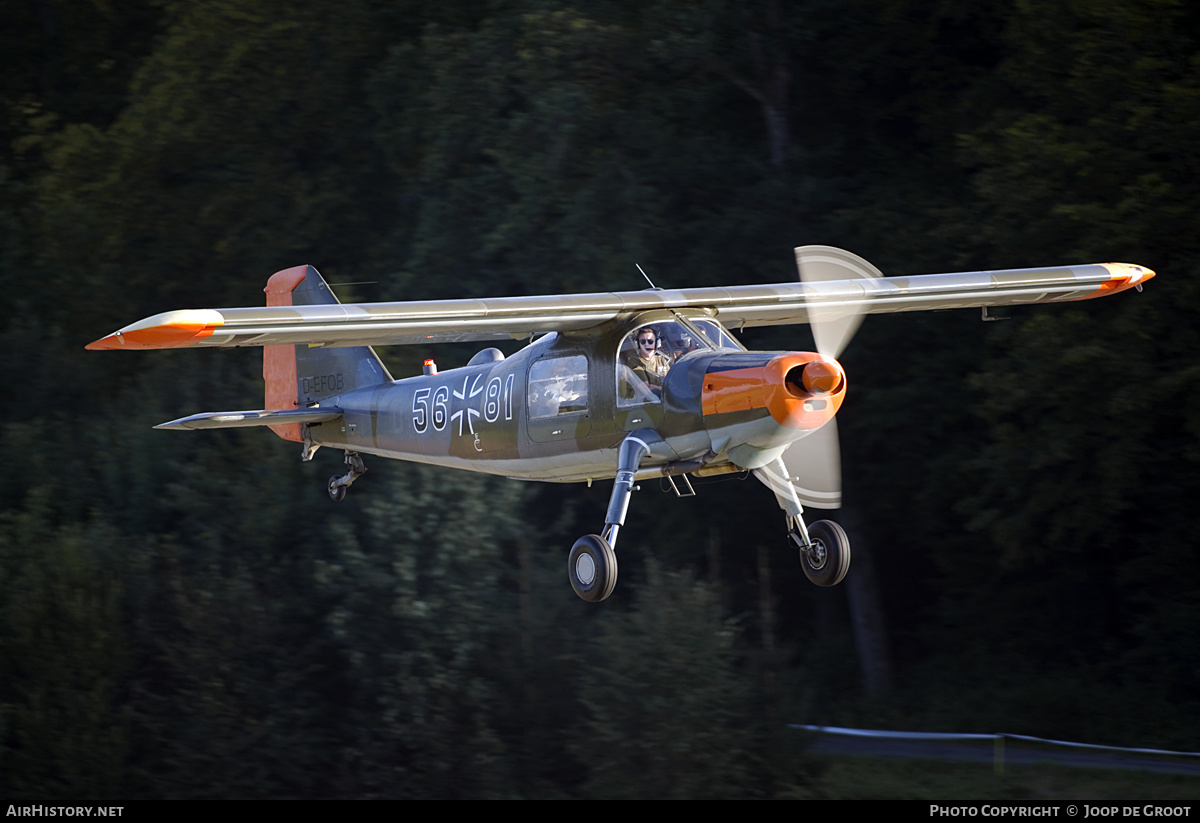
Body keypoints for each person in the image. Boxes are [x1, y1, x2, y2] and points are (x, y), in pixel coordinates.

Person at [626, 327, 672, 396]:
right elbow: (647, 390)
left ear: (656, 343)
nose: (647, 344)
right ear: (638, 344)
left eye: (650, 341)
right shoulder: (635, 360)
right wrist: (663, 389)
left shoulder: (662, 360)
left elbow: (672, 387)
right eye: (643, 342)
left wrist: (657, 387)